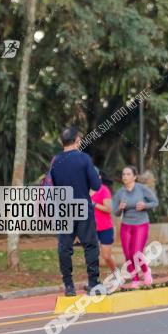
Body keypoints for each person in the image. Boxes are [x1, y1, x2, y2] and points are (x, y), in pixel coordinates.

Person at [50, 127, 102, 297]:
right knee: (90, 245)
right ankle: (93, 283)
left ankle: (69, 286)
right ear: (78, 140)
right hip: (83, 208)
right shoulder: (84, 159)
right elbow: (96, 185)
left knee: (64, 248)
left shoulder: (55, 161)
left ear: (61, 142)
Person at [112, 166, 159, 289]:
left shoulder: (142, 189)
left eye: (128, 174)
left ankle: (146, 270)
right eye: (123, 174)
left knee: (136, 253)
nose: (125, 177)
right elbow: (115, 212)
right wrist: (120, 208)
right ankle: (135, 280)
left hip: (141, 224)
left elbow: (155, 202)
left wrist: (145, 205)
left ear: (134, 177)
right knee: (128, 255)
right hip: (126, 226)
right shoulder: (120, 192)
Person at [90, 170, 118, 274]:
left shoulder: (103, 190)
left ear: (99, 177)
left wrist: (94, 204)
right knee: (91, 256)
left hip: (105, 228)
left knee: (106, 257)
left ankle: (116, 273)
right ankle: (93, 281)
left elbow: (109, 209)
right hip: (91, 229)